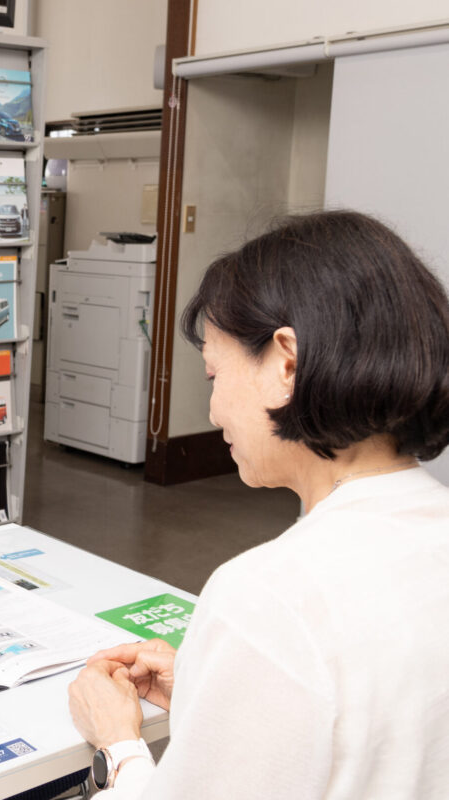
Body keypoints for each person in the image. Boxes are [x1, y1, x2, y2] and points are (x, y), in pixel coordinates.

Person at [67, 210, 449, 797]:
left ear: (286, 363)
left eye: (214, 375)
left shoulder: (269, 596)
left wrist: (116, 744)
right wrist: (214, 686)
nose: (214, 412)